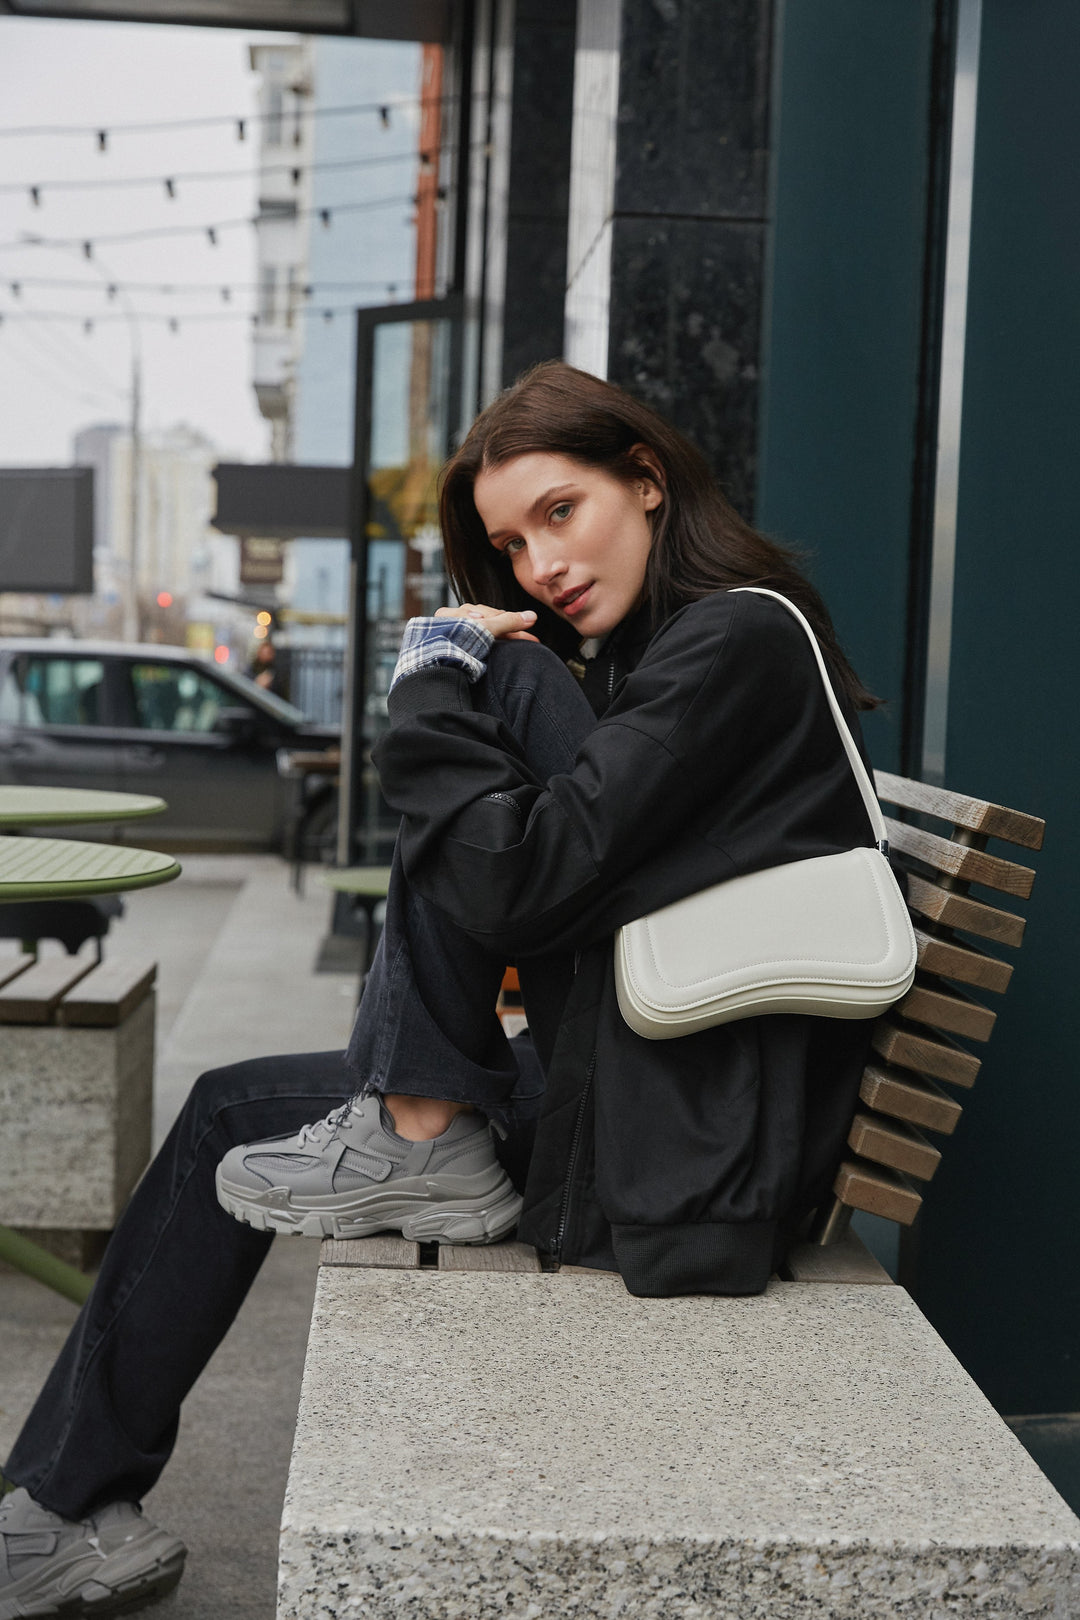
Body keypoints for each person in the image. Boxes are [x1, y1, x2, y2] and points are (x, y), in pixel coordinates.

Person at [0, 362, 880, 1616]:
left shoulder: (733, 642)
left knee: (485, 684)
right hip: (655, 1100)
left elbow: (516, 881)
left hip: (687, 1158)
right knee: (223, 1109)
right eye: (514, 542)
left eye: (559, 513)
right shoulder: (654, 663)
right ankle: (61, 1503)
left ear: (646, 481)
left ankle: (417, 1125)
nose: (539, 565)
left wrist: (430, 680)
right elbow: (547, 883)